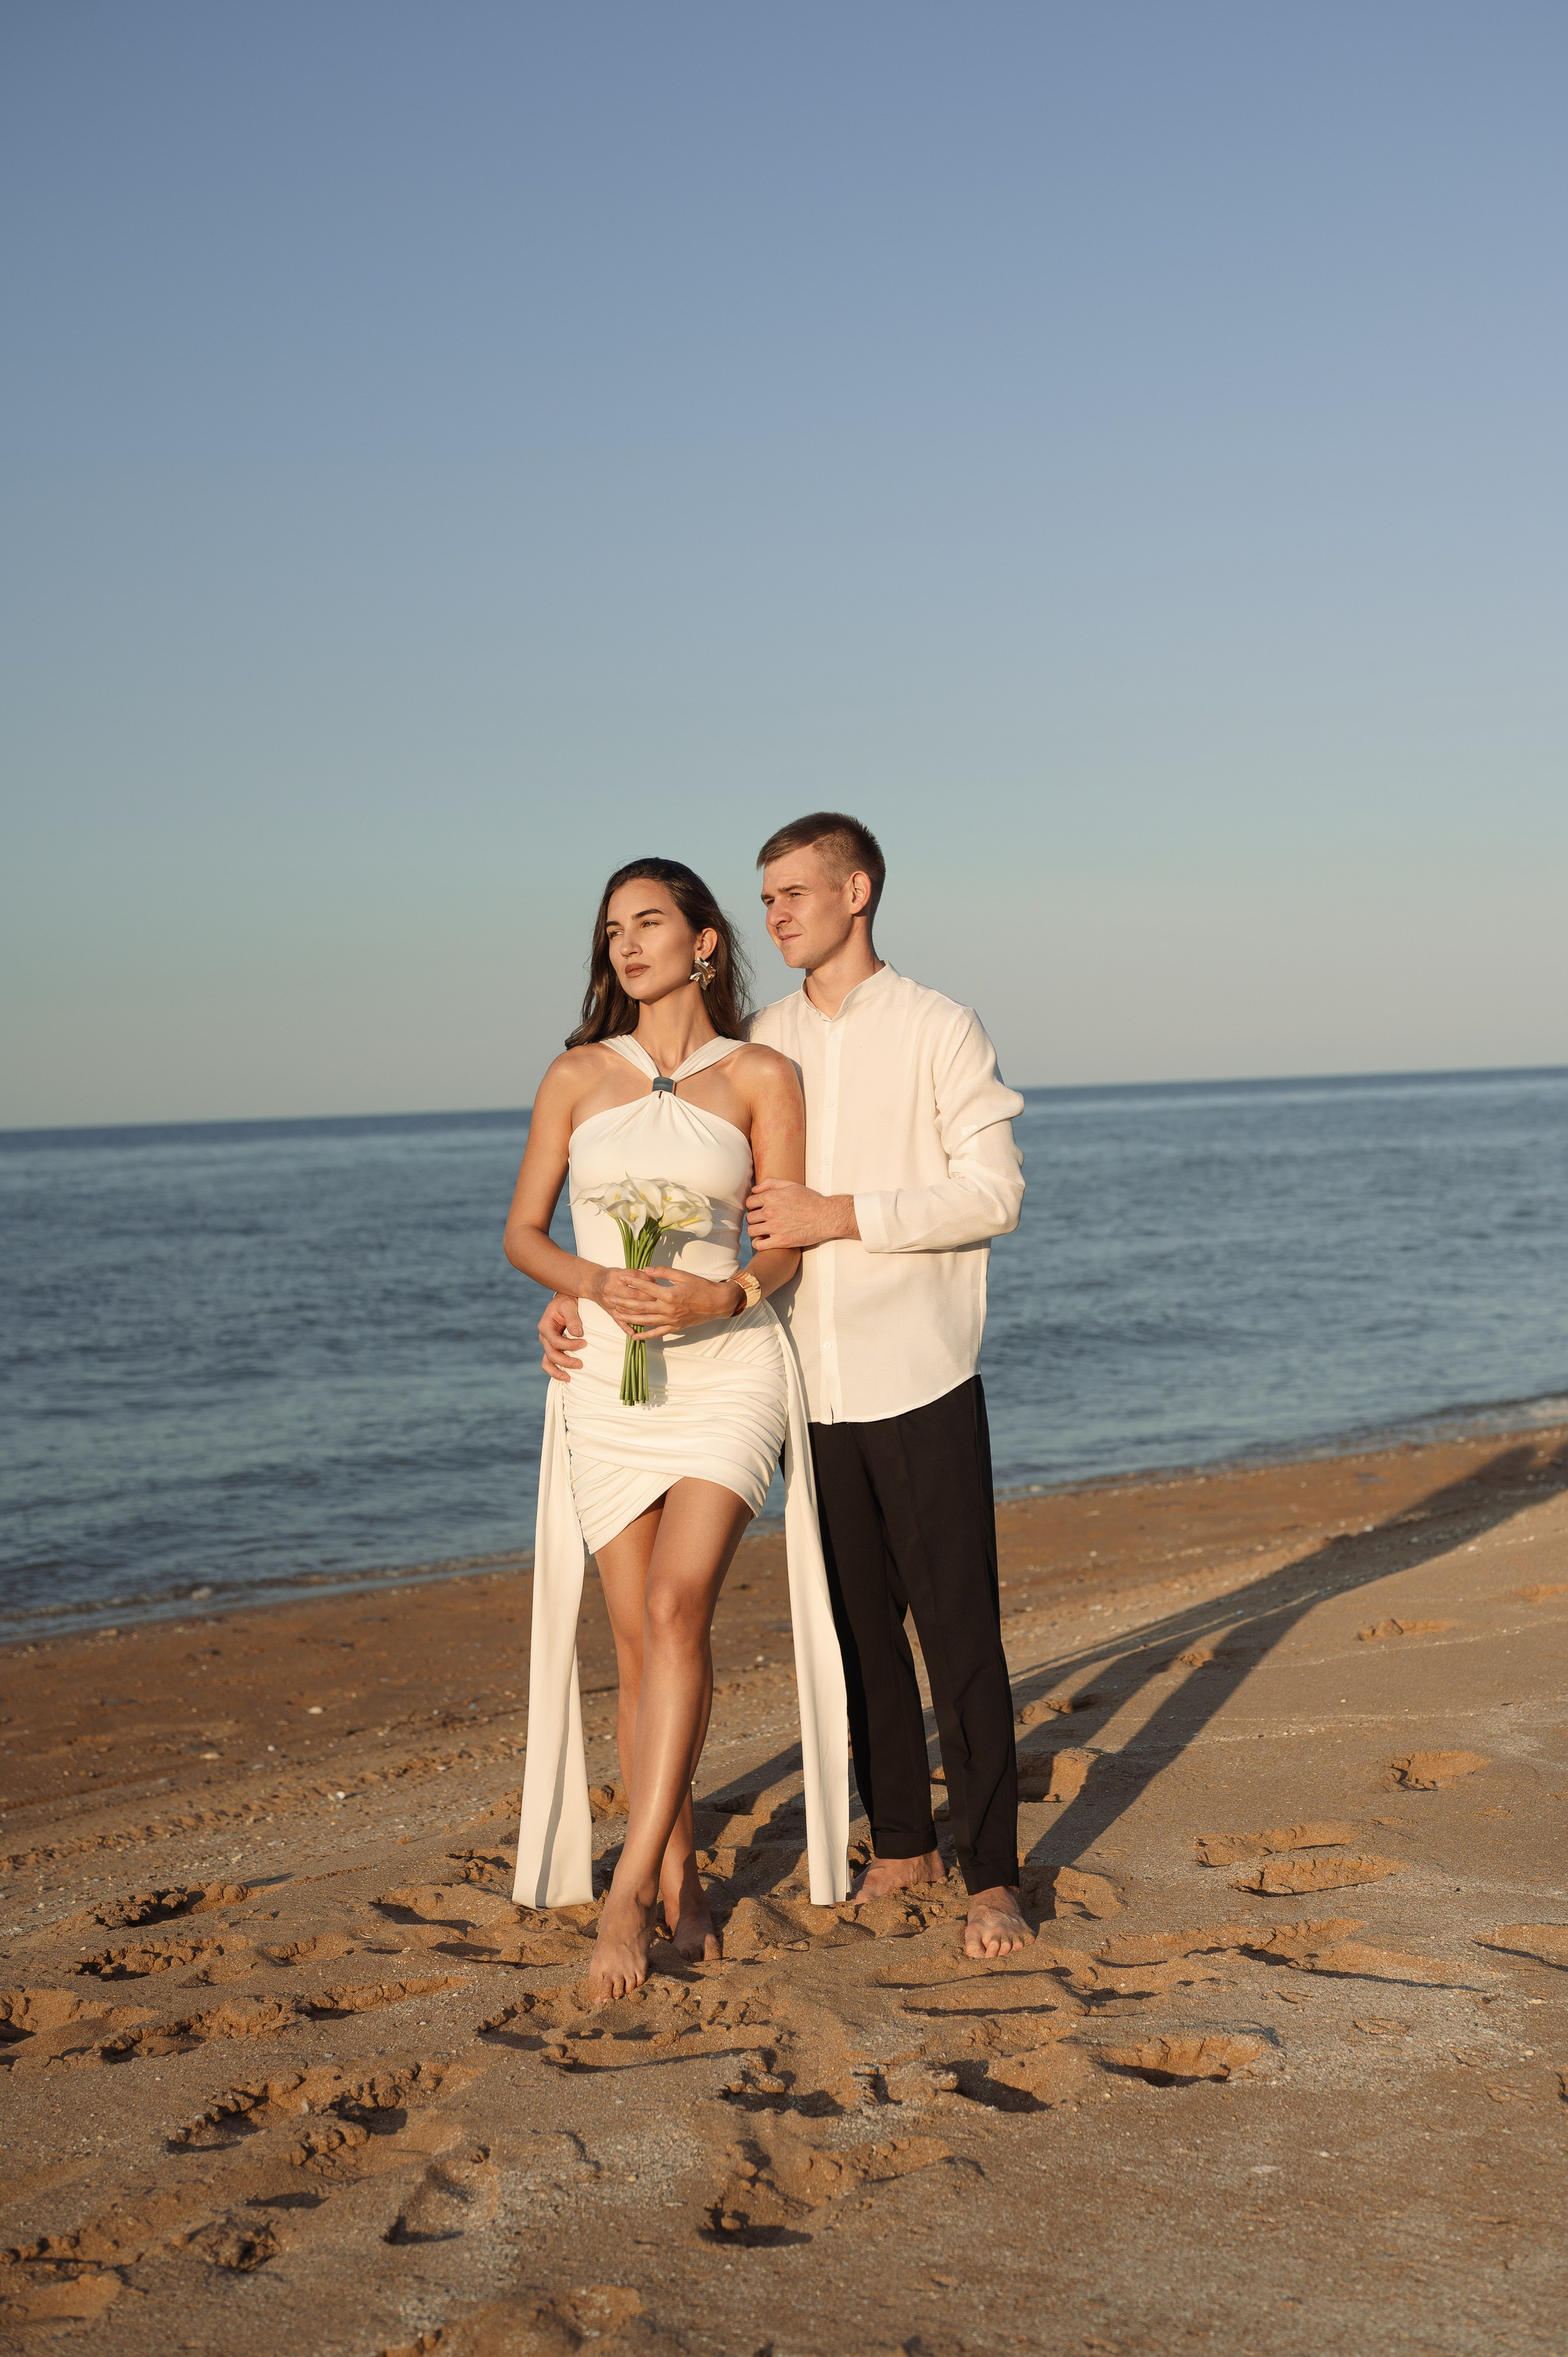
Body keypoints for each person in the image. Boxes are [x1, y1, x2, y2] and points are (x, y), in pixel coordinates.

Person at [504, 859, 848, 2005]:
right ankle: (686, 1885)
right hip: (606, 1378)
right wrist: (594, 1284)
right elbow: (523, 1236)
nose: (626, 945)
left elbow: (785, 1242)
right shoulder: (574, 1077)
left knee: (676, 1605)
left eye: (649, 923)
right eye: (611, 930)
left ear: (705, 942)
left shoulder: (763, 1074)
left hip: (730, 1367)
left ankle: (624, 1894)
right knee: (638, 1651)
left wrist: (726, 1295)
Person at [745, 813, 1030, 1959]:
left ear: (856, 891)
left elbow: (993, 1193)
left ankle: (995, 1875)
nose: (775, 916)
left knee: (960, 1635)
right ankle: (901, 1843)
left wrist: (841, 1218)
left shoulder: (939, 1026)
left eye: (795, 894)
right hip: (806, 1382)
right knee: (858, 1630)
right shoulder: (759, 1042)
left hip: (922, 1374)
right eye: (764, 899)